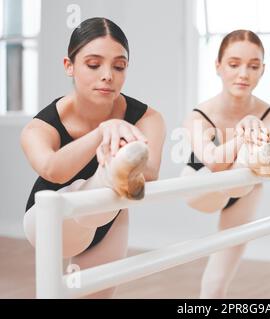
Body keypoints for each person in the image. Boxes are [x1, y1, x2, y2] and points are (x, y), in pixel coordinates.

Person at [21, 17, 165, 298]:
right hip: (50, 221)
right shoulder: (39, 127)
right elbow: (53, 170)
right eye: (93, 64)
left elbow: (149, 172)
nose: (108, 75)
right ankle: (109, 173)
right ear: (69, 66)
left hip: (109, 218)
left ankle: (110, 175)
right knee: (99, 187)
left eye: (119, 66)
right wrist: (102, 133)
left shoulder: (148, 117)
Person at [180, 30, 270, 298]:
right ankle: (249, 155)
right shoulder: (199, 115)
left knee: (215, 285)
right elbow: (215, 164)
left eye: (253, 66)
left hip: (245, 187)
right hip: (201, 181)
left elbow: (268, 163)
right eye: (234, 64)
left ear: (263, 70)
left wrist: (253, 134)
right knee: (235, 171)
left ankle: (249, 158)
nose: (243, 74)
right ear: (218, 66)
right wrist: (243, 133)